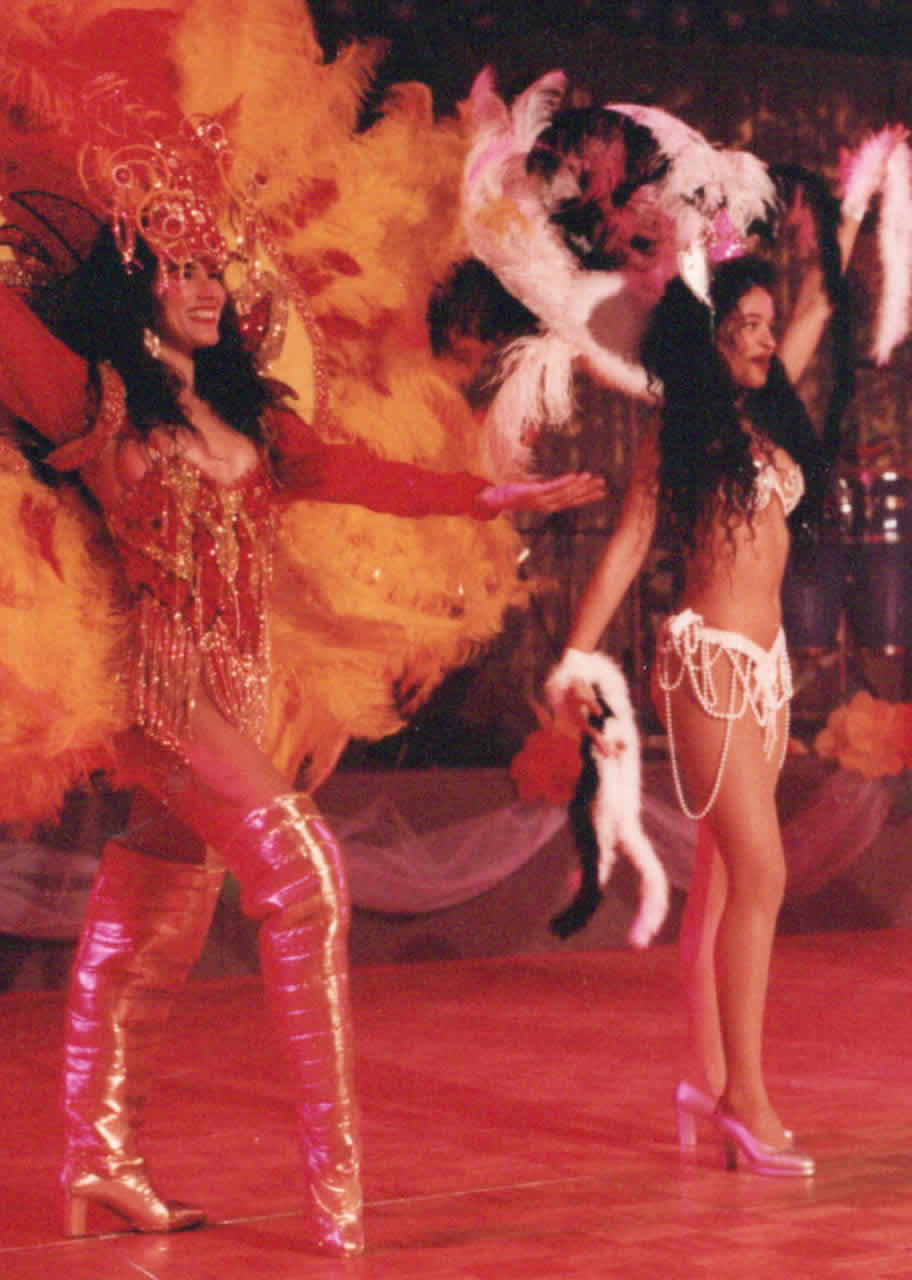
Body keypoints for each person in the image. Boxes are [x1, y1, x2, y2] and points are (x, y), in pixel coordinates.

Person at [0, 224, 602, 1256]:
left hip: (237, 695)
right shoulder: (96, 402)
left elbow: (370, 478)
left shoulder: (253, 423)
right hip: (165, 690)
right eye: (180, 271)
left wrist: (490, 495)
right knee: (307, 868)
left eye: (212, 271)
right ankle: (337, 1196)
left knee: (159, 902)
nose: (205, 289)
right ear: (136, 288)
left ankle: (100, 1155)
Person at [552, 236, 849, 1175]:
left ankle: (711, 1083)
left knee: (724, 886)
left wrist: (830, 237)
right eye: (746, 325)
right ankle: (744, 1099)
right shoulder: (678, 432)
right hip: (706, 669)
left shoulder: (768, 417)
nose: (765, 340)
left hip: (767, 672)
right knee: (763, 876)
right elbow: (632, 543)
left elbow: (813, 314)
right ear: (710, 334)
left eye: (768, 325)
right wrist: (574, 655)